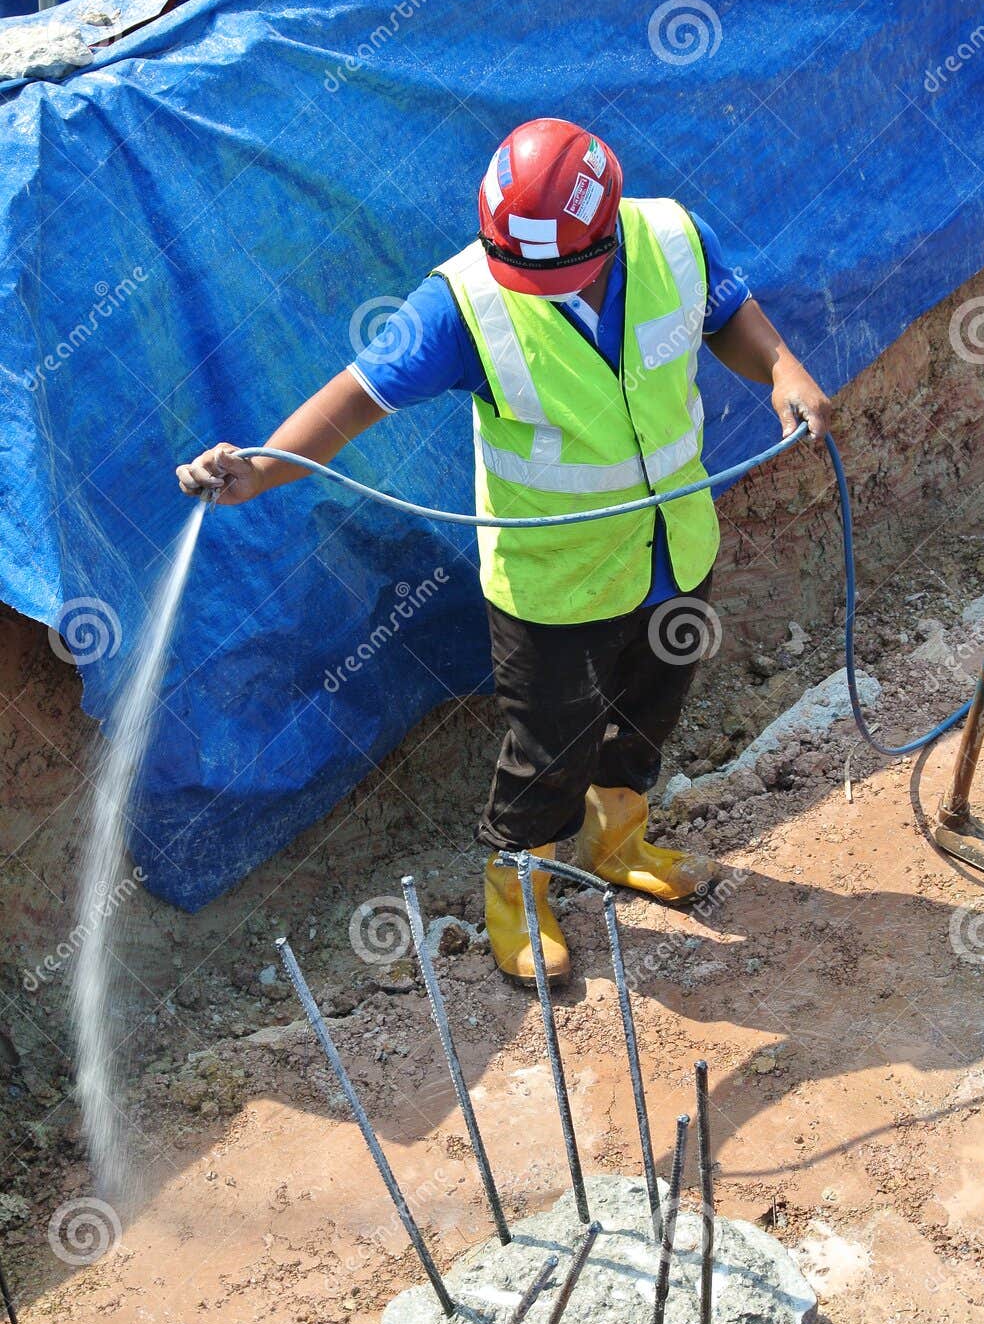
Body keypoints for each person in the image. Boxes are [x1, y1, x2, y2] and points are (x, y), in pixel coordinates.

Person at [177, 118, 831, 987]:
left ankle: (616, 843)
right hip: (553, 583)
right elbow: (353, 399)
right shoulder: (462, 301)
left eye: (557, 270)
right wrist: (256, 471)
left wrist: (782, 365)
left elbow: (727, 318)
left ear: (607, 227)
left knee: (648, 710)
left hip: (672, 546)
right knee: (548, 748)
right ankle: (516, 895)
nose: (529, 286)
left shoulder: (672, 235)